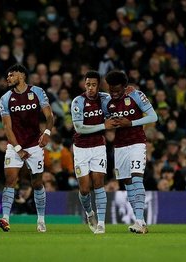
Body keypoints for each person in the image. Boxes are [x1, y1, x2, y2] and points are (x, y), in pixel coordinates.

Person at [0, 63, 54, 232]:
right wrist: (18, 148)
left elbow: (49, 115)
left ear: (21, 75)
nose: (8, 78)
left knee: (36, 183)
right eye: (7, 76)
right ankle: (6, 218)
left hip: (35, 145)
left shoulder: (37, 92)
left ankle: (41, 220)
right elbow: (7, 128)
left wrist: (47, 132)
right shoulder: (5, 98)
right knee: (10, 180)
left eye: (11, 75)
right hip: (15, 146)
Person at [104, 70, 158, 234]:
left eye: (117, 90)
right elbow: (106, 122)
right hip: (119, 146)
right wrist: (109, 125)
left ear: (125, 87)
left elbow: (153, 117)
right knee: (127, 183)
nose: (114, 93)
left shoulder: (136, 96)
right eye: (111, 90)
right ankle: (139, 220)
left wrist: (131, 123)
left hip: (137, 143)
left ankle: (140, 221)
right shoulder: (107, 102)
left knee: (136, 178)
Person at [71, 70, 116, 234]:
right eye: (88, 84)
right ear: (85, 84)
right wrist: (104, 126)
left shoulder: (105, 99)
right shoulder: (78, 101)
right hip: (81, 148)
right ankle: (90, 213)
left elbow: (117, 107)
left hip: (98, 147)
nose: (90, 88)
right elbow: (79, 127)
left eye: (94, 85)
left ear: (99, 85)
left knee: (99, 183)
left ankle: (101, 223)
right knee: (84, 189)